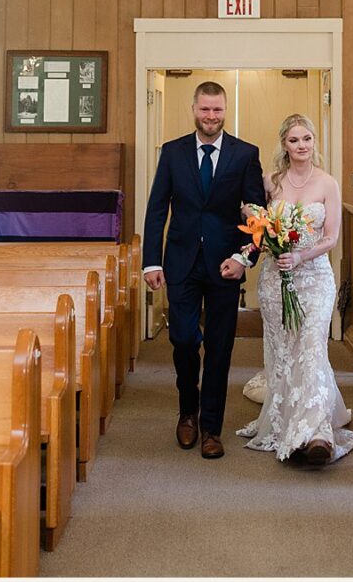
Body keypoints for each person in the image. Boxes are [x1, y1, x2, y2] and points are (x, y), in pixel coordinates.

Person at [142, 81, 267, 459]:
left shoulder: (245, 154)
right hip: (180, 263)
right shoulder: (173, 152)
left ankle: (211, 427)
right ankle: (187, 412)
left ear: (224, 110)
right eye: (204, 110)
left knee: (220, 348)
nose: (210, 117)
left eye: (217, 110)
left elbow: (258, 216)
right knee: (182, 340)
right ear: (193, 109)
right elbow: (157, 208)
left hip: (224, 266)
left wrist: (244, 258)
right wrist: (152, 260)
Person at [236, 113, 353, 464]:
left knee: (311, 347)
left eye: (306, 139)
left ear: (314, 142)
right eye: (294, 140)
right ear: (284, 144)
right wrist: (263, 240)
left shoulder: (327, 183)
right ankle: (288, 422)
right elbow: (258, 226)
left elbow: (332, 237)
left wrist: (301, 256)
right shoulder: (271, 182)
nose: (301, 146)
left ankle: (318, 433)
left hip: (316, 278)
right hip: (275, 281)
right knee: (284, 352)